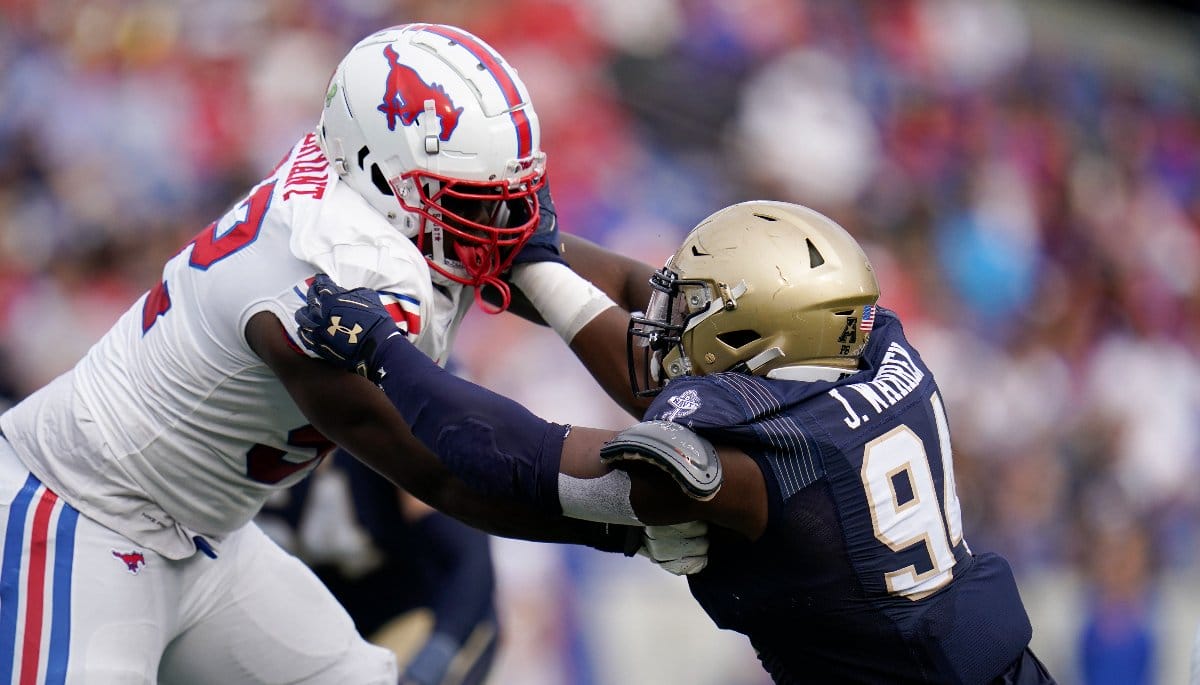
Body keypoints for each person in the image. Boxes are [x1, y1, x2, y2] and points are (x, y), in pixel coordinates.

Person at [0, 22, 691, 683]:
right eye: (477, 203)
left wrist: (707, 341)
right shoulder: (319, 275)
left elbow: (610, 286)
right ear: (383, 177)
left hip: (209, 533)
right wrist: (627, 520)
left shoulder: (388, 200)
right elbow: (446, 475)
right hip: (83, 512)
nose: (501, 222)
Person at [296, 200, 1059, 684]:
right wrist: (515, 247)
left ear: (754, 335)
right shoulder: (875, 346)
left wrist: (382, 352)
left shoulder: (748, 470)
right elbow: (645, 323)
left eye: (692, 307)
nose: (664, 319)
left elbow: (513, 466)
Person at [257, 447, 501, 685]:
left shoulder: (386, 441)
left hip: (412, 615)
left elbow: (470, 556)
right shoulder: (251, 443)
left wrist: (436, 653)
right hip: (318, 624)